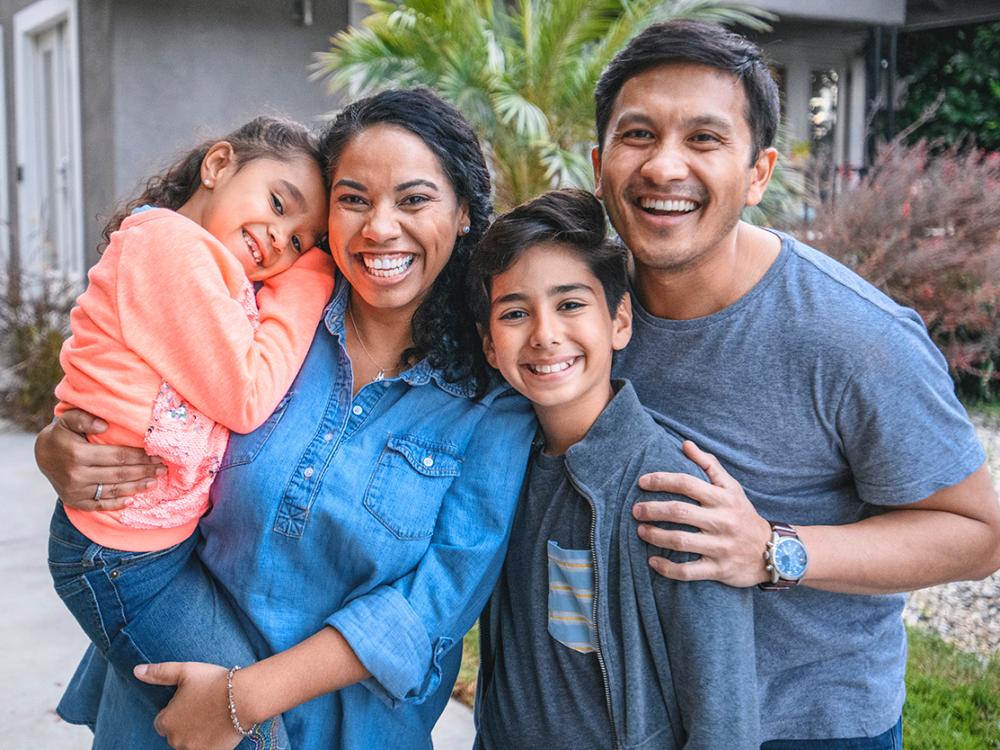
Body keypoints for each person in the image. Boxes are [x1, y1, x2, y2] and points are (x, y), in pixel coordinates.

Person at [35, 88, 535, 750]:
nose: (381, 227)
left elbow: (429, 608)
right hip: (167, 709)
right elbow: (128, 384)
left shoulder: (489, 396)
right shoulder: (258, 315)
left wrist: (245, 699)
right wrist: (62, 442)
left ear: (464, 212)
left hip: (337, 729)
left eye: (413, 200)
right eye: (354, 199)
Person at [592, 20, 1000, 747]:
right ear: (599, 163)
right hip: (637, 717)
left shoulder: (854, 337)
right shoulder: (577, 315)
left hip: (809, 726)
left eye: (705, 139)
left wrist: (772, 549)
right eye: (639, 135)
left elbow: (976, 533)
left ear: (759, 173)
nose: (663, 167)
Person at [48, 117, 332, 745]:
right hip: (120, 560)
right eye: (278, 203)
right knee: (250, 731)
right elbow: (247, 393)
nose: (278, 240)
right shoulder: (172, 248)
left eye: (301, 240)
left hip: (152, 548)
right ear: (218, 164)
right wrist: (310, 275)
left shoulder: (211, 267)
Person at [467, 188, 759, 749]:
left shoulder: (672, 491)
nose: (545, 334)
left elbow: (724, 719)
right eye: (514, 313)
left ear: (619, 320)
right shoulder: (500, 470)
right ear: (489, 345)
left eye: (570, 304)